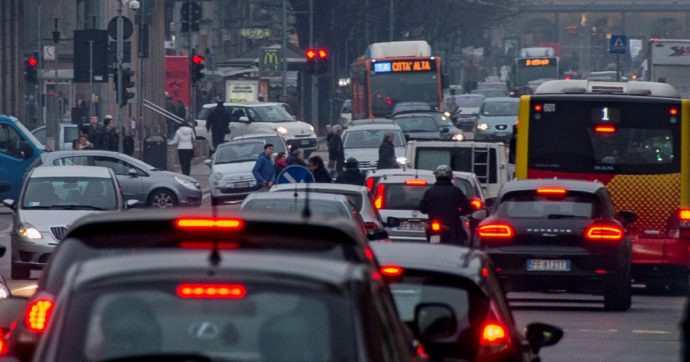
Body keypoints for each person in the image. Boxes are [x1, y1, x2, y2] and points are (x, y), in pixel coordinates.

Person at [419, 165, 471, 246]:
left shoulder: (430, 191)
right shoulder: (456, 191)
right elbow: (467, 208)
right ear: (450, 177)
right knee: (461, 238)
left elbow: (422, 209)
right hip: (452, 224)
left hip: (433, 223)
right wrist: (461, 211)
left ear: (436, 176)